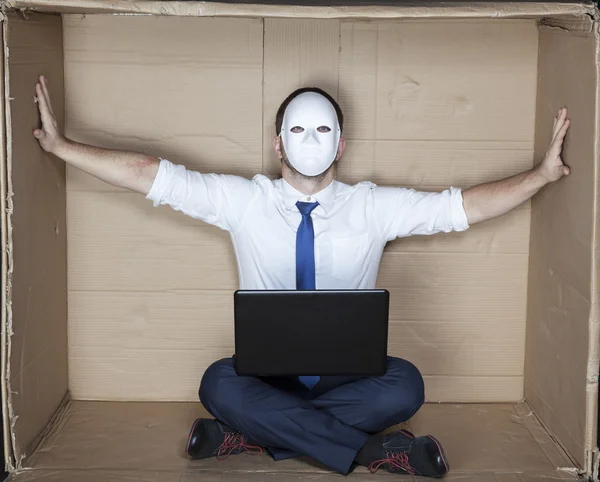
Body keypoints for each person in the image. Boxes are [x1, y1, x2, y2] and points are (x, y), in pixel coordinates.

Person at [33, 75, 571, 478]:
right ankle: (373, 452)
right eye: (296, 128)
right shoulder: (243, 201)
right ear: (276, 143)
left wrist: (542, 175)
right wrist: (61, 147)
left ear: (339, 144)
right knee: (217, 381)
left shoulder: (373, 206)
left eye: (322, 130)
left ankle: (251, 436)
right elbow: (151, 175)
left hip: (347, 377)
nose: (309, 139)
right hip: (266, 376)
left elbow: (463, 208)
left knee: (406, 384)